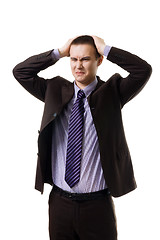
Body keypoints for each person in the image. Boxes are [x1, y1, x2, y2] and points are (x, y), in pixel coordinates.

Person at [13, 35, 152, 240]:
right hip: (60, 204)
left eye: (85, 59)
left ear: (99, 61)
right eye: (74, 59)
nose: (78, 65)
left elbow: (143, 70)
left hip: (97, 206)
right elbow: (20, 72)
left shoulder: (112, 92)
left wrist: (106, 48)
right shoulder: (54, 90)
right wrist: (59, 52)